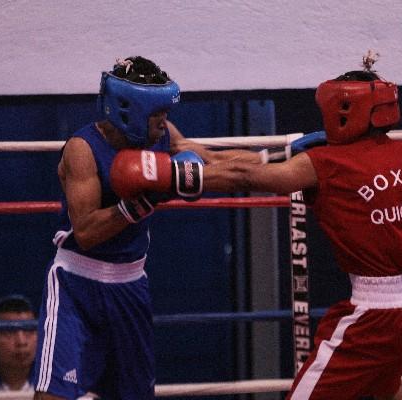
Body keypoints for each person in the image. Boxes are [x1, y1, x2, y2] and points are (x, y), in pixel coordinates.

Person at [123, 55, 402, 400]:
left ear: (344, 108)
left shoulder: (327, 163)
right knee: (384, 385)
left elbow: (250, 177)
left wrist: (171, 175)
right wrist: (190, 149)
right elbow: (260, 162)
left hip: (374, 316)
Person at [33, 56, 258, 400]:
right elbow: (87, 233)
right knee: (52, 396)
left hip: (130, 283)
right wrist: (141, 203)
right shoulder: (83, 149)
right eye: (157, 114)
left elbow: (211, 160)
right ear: (129, 110)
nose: (164, 122)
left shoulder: (161, 136)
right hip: (76, 284)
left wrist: (278, 157)